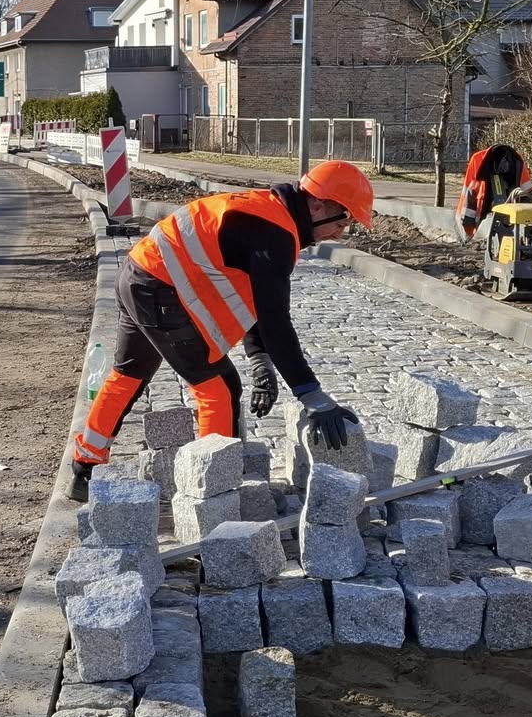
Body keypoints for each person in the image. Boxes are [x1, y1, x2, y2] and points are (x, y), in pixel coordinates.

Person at [68, 161, 375, 501]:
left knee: (128, 374)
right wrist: (311, 395)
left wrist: (259, 360)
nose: (339, 234)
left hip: (140, 273)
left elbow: (255, 299)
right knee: (219, 389)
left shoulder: (268, 213)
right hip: (158, 287)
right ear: (317, 205)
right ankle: (215, 502)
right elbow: (275, 320)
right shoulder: (275, 233)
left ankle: (85, 468)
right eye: (341, 222)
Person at [455, 142, 532, 240]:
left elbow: (527, 195)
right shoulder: (477, 160)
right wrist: (467, 226)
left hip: (504, 221)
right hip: (483, 220)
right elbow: (469, 194)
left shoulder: (518, 162)